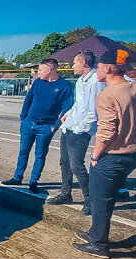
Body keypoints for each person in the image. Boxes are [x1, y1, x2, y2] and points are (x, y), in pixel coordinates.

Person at [73, 49, 136, 258]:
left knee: (101, 201)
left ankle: (99, 244)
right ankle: (95, 233)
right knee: (106, 197)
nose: (97, 69)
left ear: (109, 68)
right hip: (134, 154)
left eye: (99, 66)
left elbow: (107, 131)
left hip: (113, 155)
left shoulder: (108, 94)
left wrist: (95, 155)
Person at [46, 50, 105, 216]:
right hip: (70, 126)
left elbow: (94, 111)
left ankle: (90, 200)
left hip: (81, 130)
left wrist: (79, 129)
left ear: (84, 64)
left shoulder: (96, 81)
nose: (72, 66)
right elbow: (79, 105)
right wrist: (67, 115)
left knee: (77, 166)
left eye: (74, 63)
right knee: (64, 163)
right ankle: (66, 193)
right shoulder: (81, 81)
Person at [2, 58, 74, 193]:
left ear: (50, 70)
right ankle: (17, 177)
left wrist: (55, 126)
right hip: (28, 123)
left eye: (40, 70)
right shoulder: (38, 83)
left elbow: (67, 109)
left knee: (40, 155)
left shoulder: (65, 86)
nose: (38, 72)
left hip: (46, 127)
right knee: (23, 152)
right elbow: (28, 99)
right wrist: (23, 117)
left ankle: (33, 181)